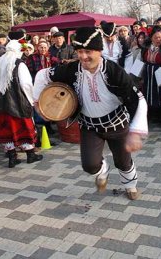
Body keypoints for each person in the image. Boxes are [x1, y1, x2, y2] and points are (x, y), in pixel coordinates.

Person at [33, 27, 148, 200]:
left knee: (123, 161)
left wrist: (136, 132)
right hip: (89, 126)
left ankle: (130, 186)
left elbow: (139, 100)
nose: (83, 56)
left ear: (99, 51)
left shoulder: (114, 71)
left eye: (88, 51)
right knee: (89, 165)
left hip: (117, 124)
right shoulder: (72, 69)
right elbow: (43, 75)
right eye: (79, 51)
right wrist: (37, 102)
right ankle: (103, 171)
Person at [0, 40, 43, 168]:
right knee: (24, 127)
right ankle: (30, 155)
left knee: (7, 130)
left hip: (2, 103)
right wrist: (32, 100)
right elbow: (26, 84)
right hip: (18, 103)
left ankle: (12, 157)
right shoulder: (19, 64)